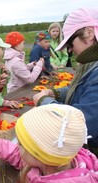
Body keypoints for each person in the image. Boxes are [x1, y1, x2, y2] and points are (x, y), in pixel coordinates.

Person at [0, 104, 98, 183]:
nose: (18, 146)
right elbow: (23, 157)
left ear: (41, 155)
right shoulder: (55, 159)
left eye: (21, 144)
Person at [33, 8, 98, 154]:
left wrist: (44, 102)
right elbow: (84, 88)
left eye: (70, 42)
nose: (69, 49)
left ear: (89, 33)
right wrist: (55, 93)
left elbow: (80, 125)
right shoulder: (92, 63)